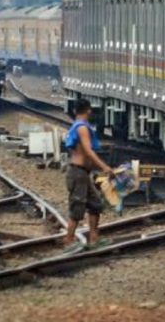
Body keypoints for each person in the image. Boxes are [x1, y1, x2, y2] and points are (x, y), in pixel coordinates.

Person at [63, 98, 114, 246]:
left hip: (82, 173)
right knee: (77, 207)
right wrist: (104, 167)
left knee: (95, 204)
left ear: (74, 111)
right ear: (88, 110)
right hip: (78, 173)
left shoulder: (77, 126)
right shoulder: (82, 128)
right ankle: (69, 240)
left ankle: (94, 238)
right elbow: (89, 151)